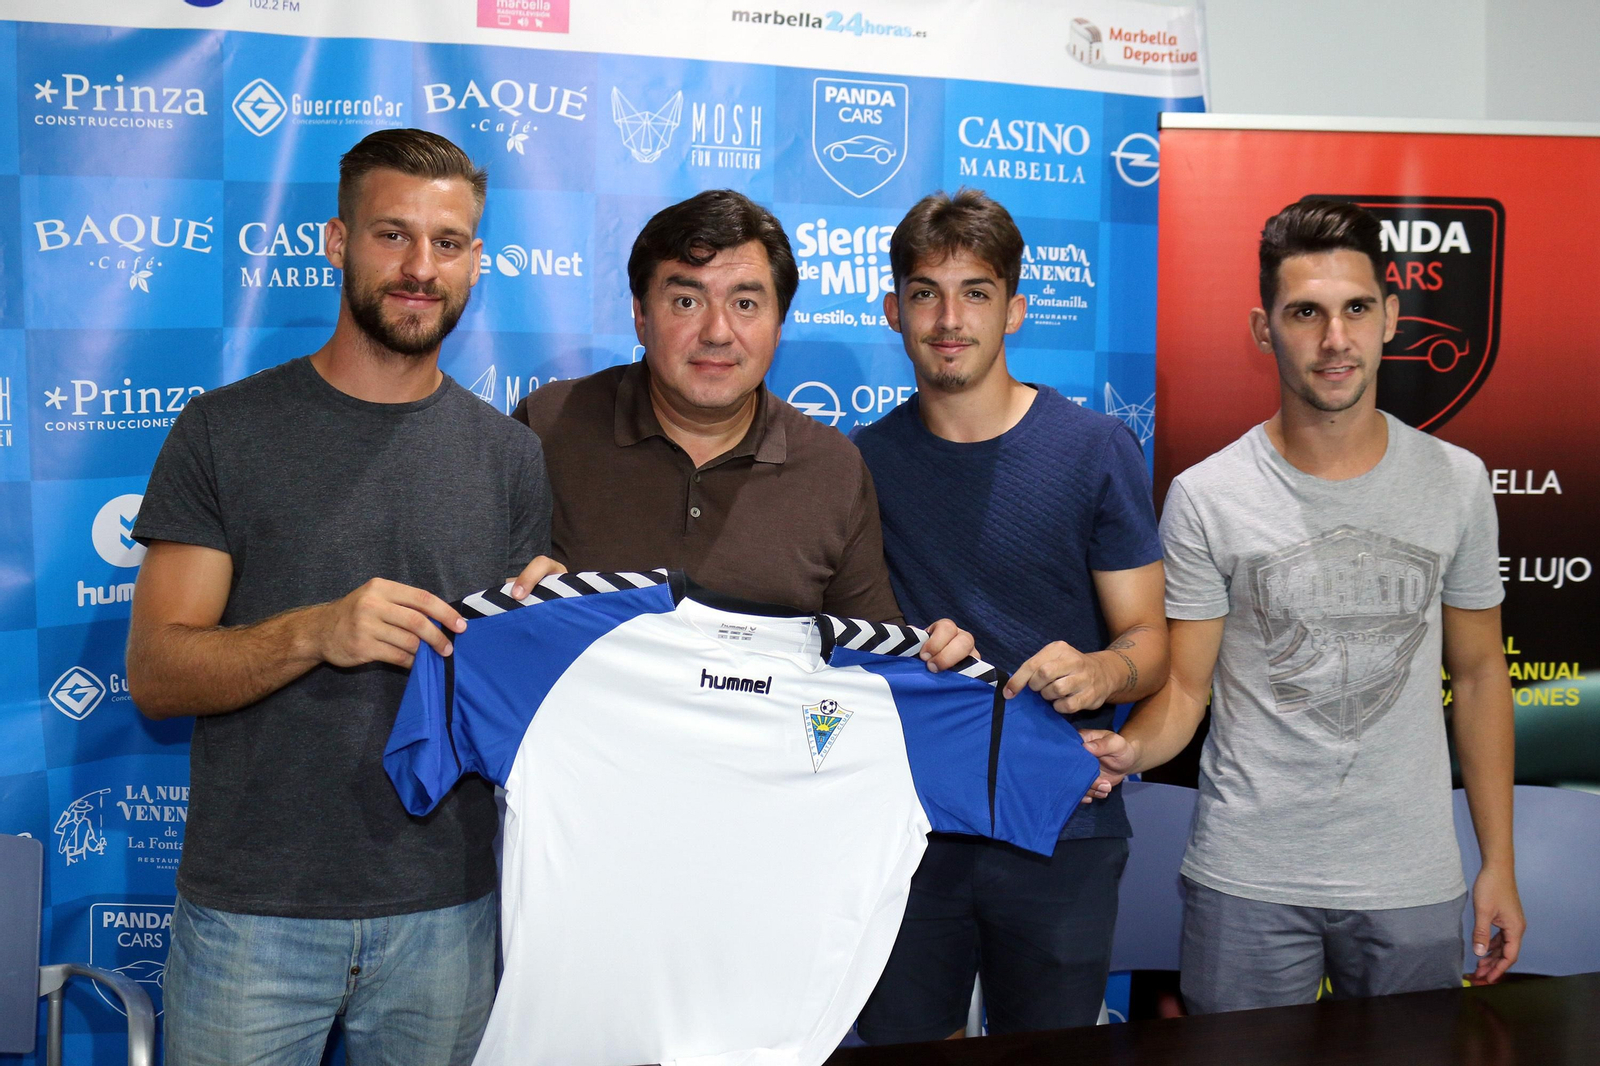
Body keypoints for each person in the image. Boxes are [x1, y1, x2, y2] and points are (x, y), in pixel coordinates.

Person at [127, 128, 552, 1065]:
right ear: (335, 242)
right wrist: (317, 632)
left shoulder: (511, 456)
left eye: (448, 243)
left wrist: (550, 636)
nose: (420, 268)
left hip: (448, 909)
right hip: (252, 916)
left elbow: (514, 703)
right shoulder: (224, 433)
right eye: (391, 235)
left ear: (477, 259)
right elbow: (157, 672)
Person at [1084, 197, 1525, 1014]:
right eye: (1305, 313)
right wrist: (1129, 753)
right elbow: (1185, 690)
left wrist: (1497, 860)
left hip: (1411, 877)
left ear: (1392, 318)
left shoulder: (1456, 481)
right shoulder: (1207, 495)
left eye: (1357, 309)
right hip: (1245, 880)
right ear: (1263, 329)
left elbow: (1480, 674)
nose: (1334, 339)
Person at [851, 188, 1170, 1040]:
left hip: (1064, 819)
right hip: (912, 830)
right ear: (893, 310)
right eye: (925, 292)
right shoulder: (858, 465)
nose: (949, 318)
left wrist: (1103, 670)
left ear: (1017, 309)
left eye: (977, 293)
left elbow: (1150, 639)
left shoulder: (1096, 447)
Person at [509, 189, 972, 667]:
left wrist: (935, 657)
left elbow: (872, 663)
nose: (717, 331)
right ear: (641, 316)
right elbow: (472, 619)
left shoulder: (832, 468)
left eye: (746, 304)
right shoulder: (548, 425)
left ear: (779, 323)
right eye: (686, 301)